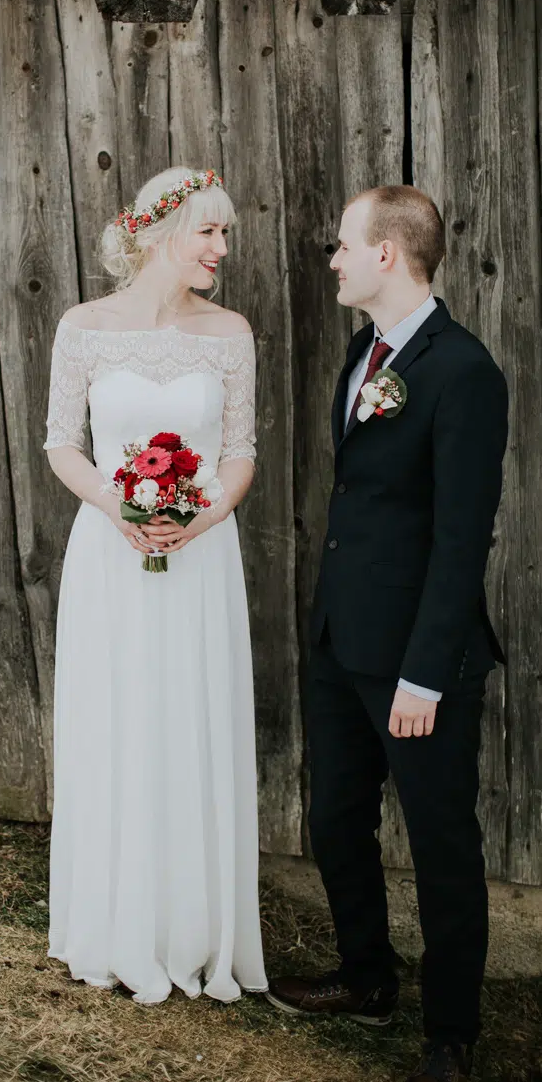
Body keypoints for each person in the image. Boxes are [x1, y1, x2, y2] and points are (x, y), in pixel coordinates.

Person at [266, 186, 508, 1082]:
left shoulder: (463, 370)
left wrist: (422, 676)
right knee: (334, 818)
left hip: (417, 658)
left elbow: (460, 537)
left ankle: (450, 1035)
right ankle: (366, 976)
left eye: (340, 245)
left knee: (443, 842)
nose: (330, 258)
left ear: (385, 254)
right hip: (341, 640)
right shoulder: (362, 356)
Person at [43, 166, 267, 1005]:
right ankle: (113, 919)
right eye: (208, 232)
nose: (220, 248)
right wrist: (116, 503)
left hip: (201, 553)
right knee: (119, 715)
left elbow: (239, 453)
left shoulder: (230, 332)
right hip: (112, 550)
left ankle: (194, 927)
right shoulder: (84, 327)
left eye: (223, 234)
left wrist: (199, 519)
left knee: (191, 714)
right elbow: (63, 440)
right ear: (158, 235)